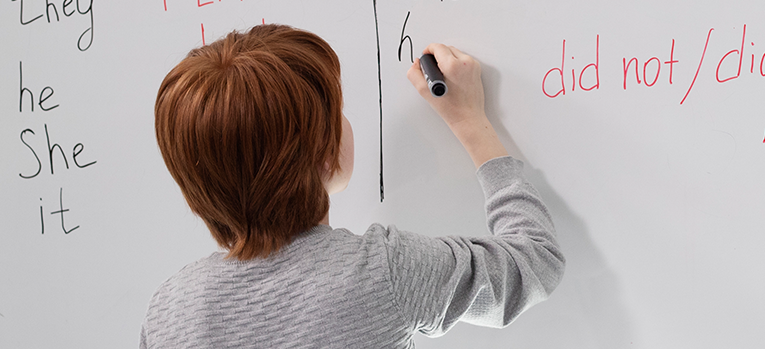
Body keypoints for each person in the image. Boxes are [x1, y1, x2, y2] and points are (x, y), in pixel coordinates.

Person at [140, 24, 564, 348]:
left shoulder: (168, 314)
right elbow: (535, 263)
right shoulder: (382, 272)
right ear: (325, 153)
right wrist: (469, 121)